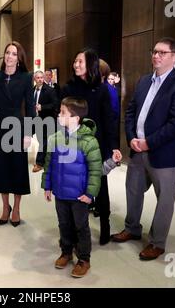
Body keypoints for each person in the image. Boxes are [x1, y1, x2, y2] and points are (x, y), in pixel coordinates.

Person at [111, 37, 175, 260]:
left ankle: (157, 242)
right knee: (133, 191)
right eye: (154, 51)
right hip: (137, 150)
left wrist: (149, 142)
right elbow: (130, 112)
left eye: (162, 53)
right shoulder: (144, 81)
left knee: (165, 199)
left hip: (164, 153)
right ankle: (132, 228)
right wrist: (131, 138)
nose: (156, 56)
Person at [61, 48, 120, 245]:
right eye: (75, 61)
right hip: (74, 147)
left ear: (91, 65)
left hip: (97, 145)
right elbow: (61, 118)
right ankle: (78, 229)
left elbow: (108, 120)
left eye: (80, 61)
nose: (76, 65)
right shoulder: (68, 88)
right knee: (77, 188)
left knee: (100, 187)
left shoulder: (101, 90)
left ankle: (105, 224)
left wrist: (113, 147)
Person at [42, 97, 102, 278]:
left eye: (63, 113)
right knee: (64, 224)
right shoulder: (55, 138)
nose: (59, 115)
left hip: (79, 196)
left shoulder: (89, 142)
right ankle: (66, 252)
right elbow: (49, 164)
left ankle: (84, 259)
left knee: (81, 226)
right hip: (60, 193)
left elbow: (95, 170)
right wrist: (47, 185)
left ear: (75, 118)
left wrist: (90, 193)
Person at [0, 41, 35, 227]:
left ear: (19, 59)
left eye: (14, 54)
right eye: (7, 52)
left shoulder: (25, 78)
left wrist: (29, 133)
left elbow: (30, 108)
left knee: (17, 169)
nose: (10, 56)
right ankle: (5, 207)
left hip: (17, 129)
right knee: (1, 170)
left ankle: (17, 208)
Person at [32, 70, 59, 173]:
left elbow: (55, 105)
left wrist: (42, 107)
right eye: (37, 78)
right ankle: (45, 160)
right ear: (35, 79)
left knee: (43, 142)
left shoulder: (50, 90)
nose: (40, 79)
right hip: (35, 120)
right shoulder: (32, 90)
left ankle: (39, 163)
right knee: (41, 141)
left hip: (46, 120)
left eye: (41, 77)